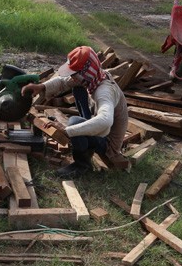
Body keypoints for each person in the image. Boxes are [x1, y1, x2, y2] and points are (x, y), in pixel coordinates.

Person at [21, 46, 130, 179]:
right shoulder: (95, 77)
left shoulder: (104, 92)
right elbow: (63, 82)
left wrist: (68, 130)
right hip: (102, 131)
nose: (72, 77)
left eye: (74, 74)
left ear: (86, 72)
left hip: (108, 143)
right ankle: (85, 141)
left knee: (74, 122)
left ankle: (82, 165)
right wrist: (41, 87)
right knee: (77, 89)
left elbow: (105, 121)